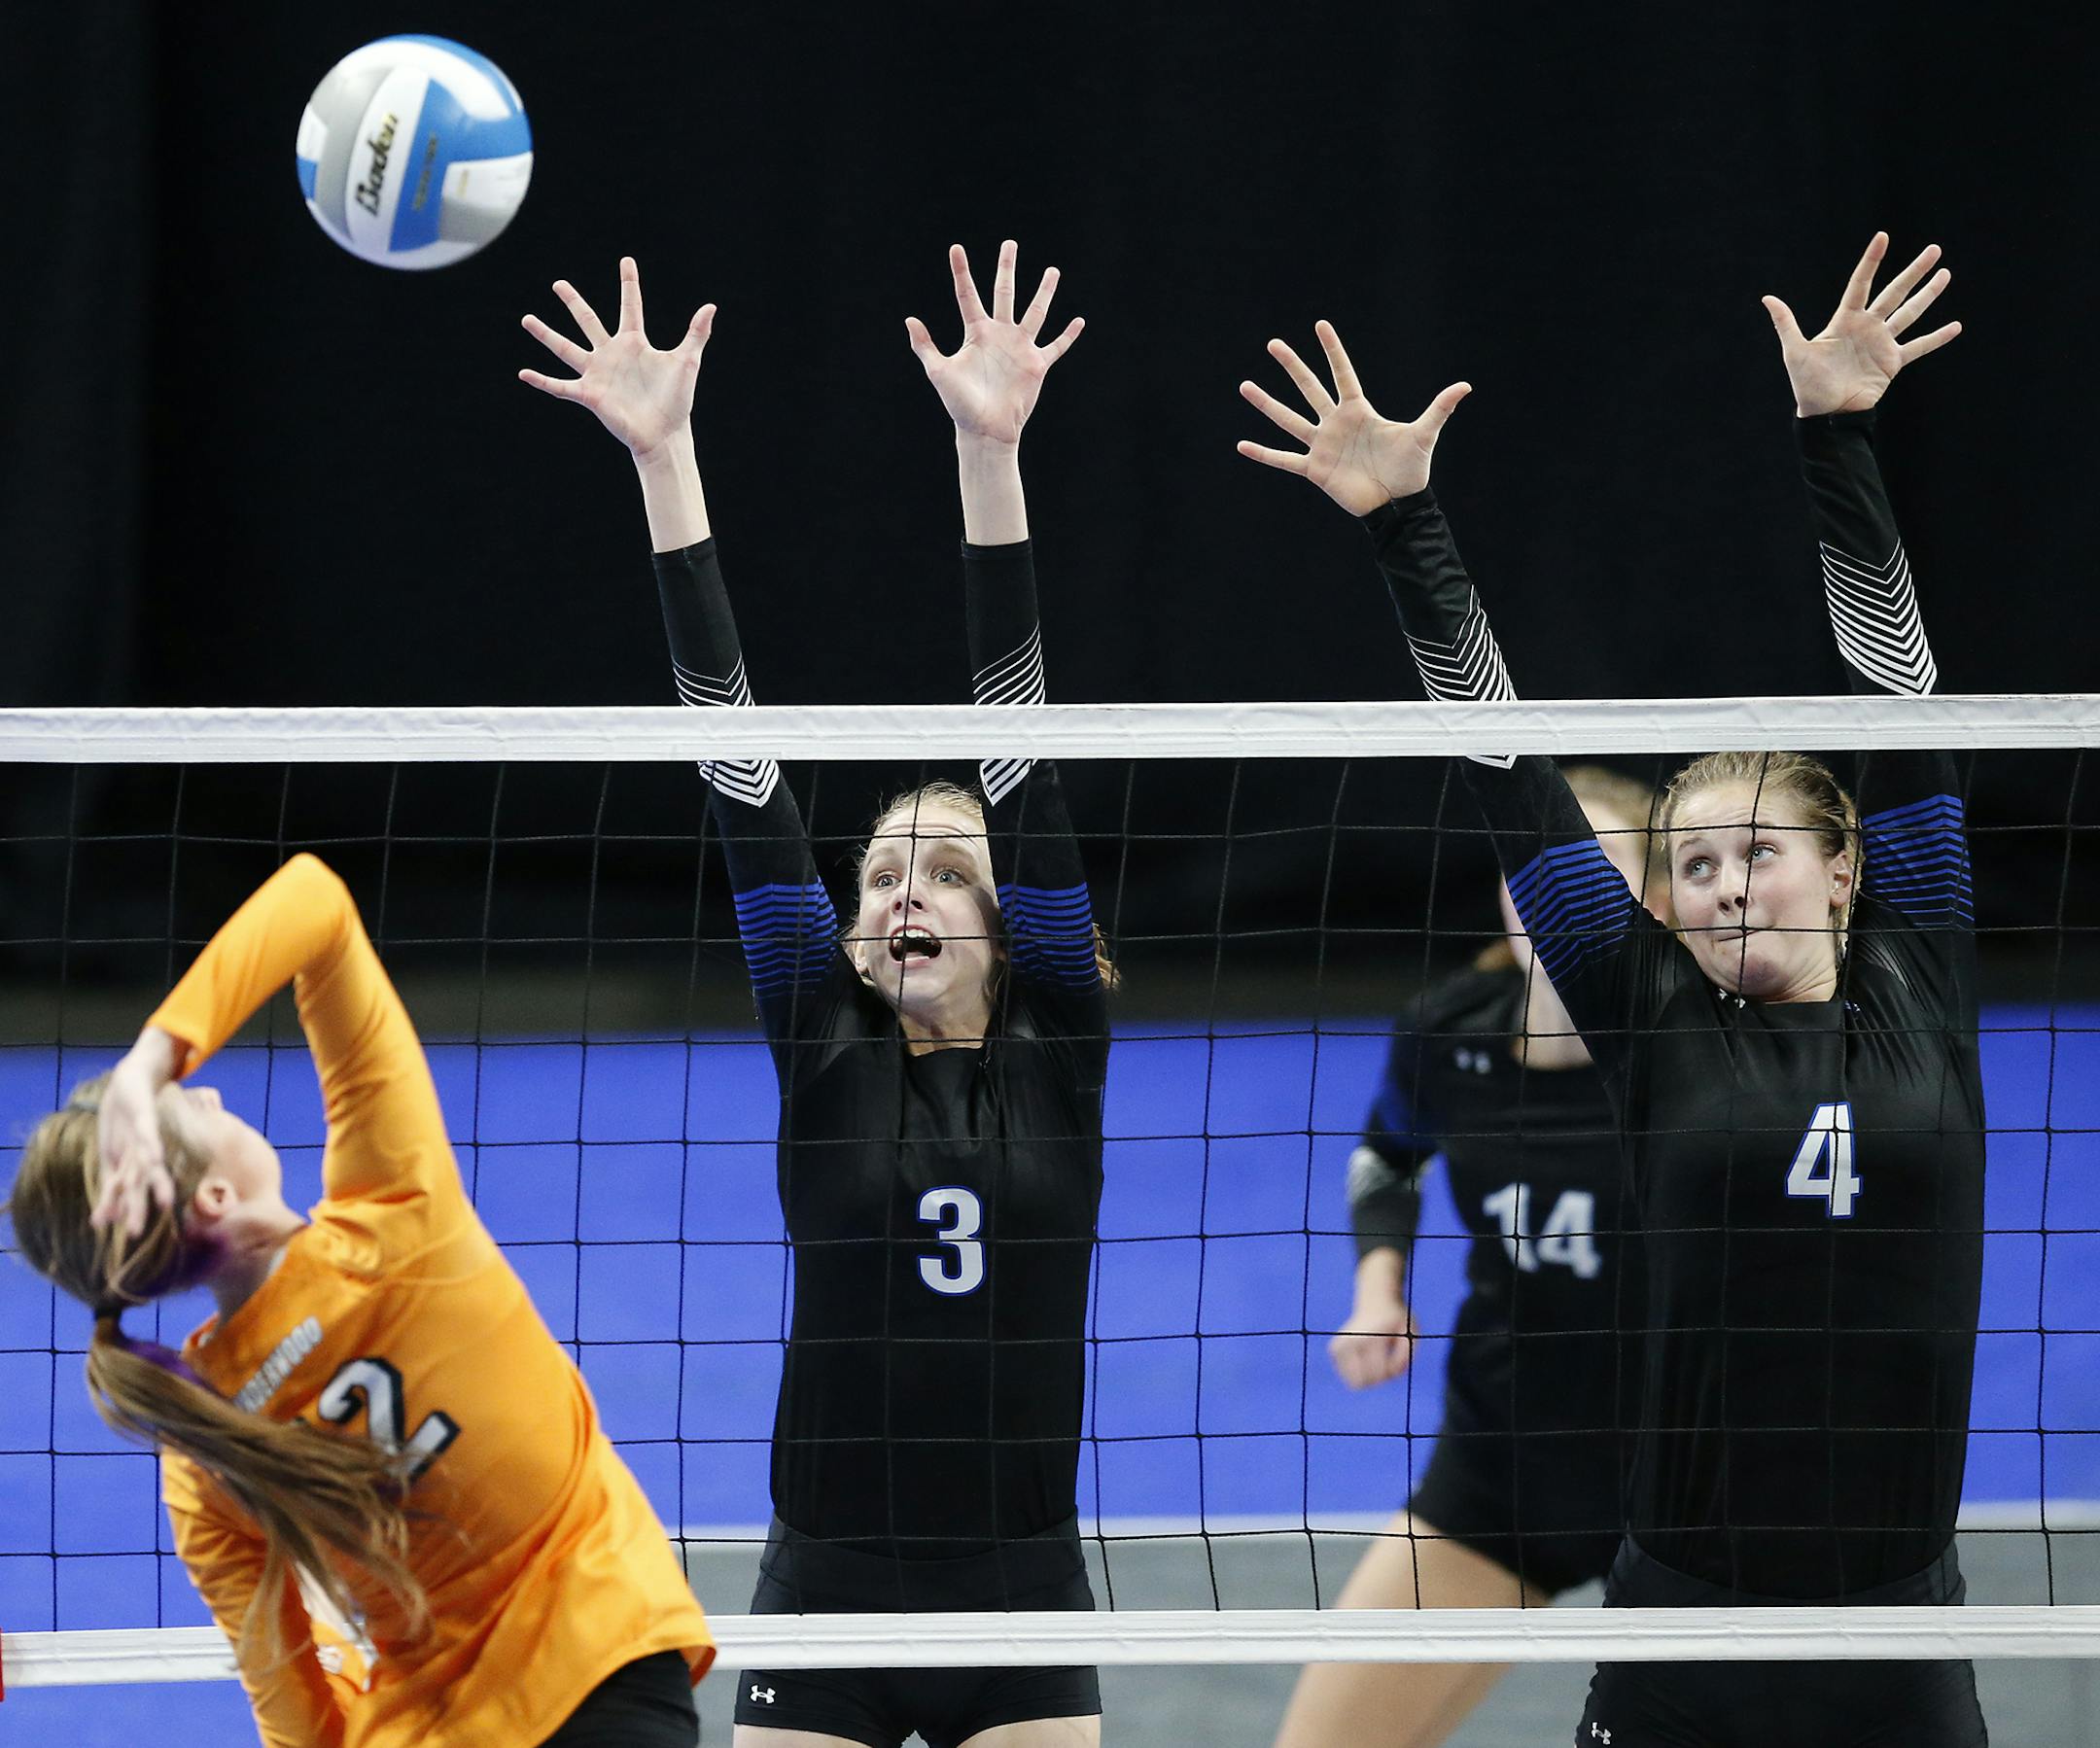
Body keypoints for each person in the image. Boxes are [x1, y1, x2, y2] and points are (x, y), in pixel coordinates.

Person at [1239, 232, 1985, 1747]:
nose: (1724, 884)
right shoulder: (1648, 1015)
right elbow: (1508, 765)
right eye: (1695, 864)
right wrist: (1405, 527)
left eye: (1758, 853)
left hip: (1894, 1607)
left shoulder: (1925, 968)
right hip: (1686, 1598)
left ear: (1842, 871)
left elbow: (1905, 711)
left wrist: (1837, 437)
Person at [521, 242, 1109, 1748]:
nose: (907, 890)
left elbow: (1018, 737)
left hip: (1023, 1591)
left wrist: (992, 453)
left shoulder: (1062, 1044)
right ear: (848, 934)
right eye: (882, 875)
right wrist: (668, 462)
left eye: (949, 871)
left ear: (1012, 917)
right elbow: (736, 760)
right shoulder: (821, 1036)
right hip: (826, 1587)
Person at [5, 853, 713, 1748]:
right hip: (599, 1663)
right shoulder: (396, 1222)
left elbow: (293, 1705)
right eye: (196, 1105)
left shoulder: (196, 1448)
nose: (214, 1089)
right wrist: (152, 1062)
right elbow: (315, 900)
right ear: (217, 1198)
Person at [1276, 764, 1665, 1748]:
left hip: (1693, 1481)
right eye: (1537, 869)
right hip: (1506, 1458)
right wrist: (1379, 1287)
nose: (1559, 895)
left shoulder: (1701, 1056)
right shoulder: (1445, 1035)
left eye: (1597, 871)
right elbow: (1386, 1157)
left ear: (1655, 900)